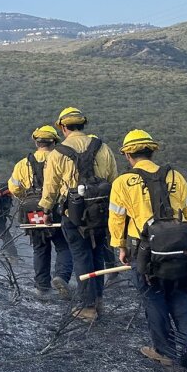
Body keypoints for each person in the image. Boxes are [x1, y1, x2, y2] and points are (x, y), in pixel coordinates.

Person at [108, 130, 187, 366]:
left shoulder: (122, 182)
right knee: (180, 295)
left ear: (128, 154)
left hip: (145, 250)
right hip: (180, 248)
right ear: (152, 150)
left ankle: (165, 352)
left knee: (154, 297)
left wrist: (121, 246)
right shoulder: (175, 176)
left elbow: (117, 219)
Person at [39, 107, 119, 323]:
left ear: (63, 127)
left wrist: (47, 211)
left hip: (73, 212)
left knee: (81, 255)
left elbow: (51, 188)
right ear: (83, 125)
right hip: (102, 211)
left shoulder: (58, 153)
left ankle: (87, 307)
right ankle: (98, 300)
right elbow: (114, 179)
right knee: (98, 255)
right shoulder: (103, 148)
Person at [9, 126, 72, 299]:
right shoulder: (62, 160)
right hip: (57, 207)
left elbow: (14, 187)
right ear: (54, 142)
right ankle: (61, 277)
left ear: (36, 142)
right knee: (63, 245)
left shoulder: (22, 163)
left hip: (31, 209)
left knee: (40, 247)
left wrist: (26, 197)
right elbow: (68, 185)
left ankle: (42, 287)